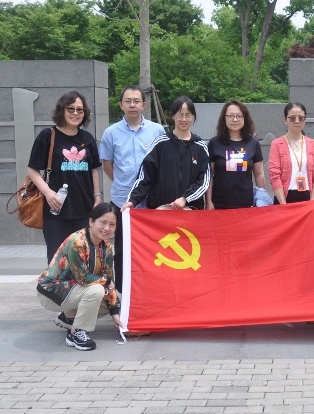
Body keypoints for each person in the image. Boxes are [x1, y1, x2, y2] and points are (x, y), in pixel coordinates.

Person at [99, 85, 163, 291]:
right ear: (121, 105)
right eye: (128, 101)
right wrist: (123, 182)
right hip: (122, 200)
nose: (132, 105)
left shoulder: (157, 130)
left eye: (136, 101)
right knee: (122, 249)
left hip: (151, 201)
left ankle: (151, 289)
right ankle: (123, 293)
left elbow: (163, 163)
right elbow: (107, 165)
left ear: (144, 104)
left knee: (153, 249)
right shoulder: (111, 133)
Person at [28, 90, 102, 263]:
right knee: (58, 261)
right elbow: (32, 170)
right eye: (71, 109)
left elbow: (93, 170)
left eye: (80, 110)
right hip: (56, 211)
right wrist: (48, 193)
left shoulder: (87, 138)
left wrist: (97, 197)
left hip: (84, 211)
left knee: (83, 259)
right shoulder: (48, 136)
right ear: (61, 110)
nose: (75, 113)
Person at [36, 203, 122, 351]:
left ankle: (68, 318)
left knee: (112, 299)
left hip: (73, 291)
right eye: (103, 222)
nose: (107, 228)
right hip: (52, 293)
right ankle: (77, 332)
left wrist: (115, 313)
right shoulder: (77, 241)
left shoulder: (107, 247)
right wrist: (108, 281)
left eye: (112, 224)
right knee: (96, 291)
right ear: (91, 221)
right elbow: (83, 278)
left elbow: (109, 282)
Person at [123, 96, 210, 211]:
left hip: (190, 210)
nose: (184, 119)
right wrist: (132, 200)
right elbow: (145, 177)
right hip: (161, 210)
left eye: (188, 115)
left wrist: (185, 198)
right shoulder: (160, 143)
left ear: (193, 116)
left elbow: (203, 181)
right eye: (180, 115)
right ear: (173, 116)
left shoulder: (200, 146)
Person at [206, 99, 266, 210]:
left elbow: (259, 174)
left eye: (239, 116)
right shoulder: (214, 143)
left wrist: (262, 201)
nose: (235, 119)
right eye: (230, 116)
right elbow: (209, 176)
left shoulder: (253, 143)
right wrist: (208, 202)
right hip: (219, 204)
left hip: (246, 204)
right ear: (224, 118)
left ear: (245, 118)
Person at [268, 102, 314, 204]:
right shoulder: (276, 144)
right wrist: (283, 204)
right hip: (284, 198)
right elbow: (274, 175)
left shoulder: (313, 144)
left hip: (308, 197)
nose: (297, 121)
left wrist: (312, 202)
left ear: (305, 119)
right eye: (292, 118)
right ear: (285, 120)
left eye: (301, 118)